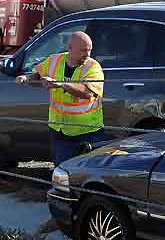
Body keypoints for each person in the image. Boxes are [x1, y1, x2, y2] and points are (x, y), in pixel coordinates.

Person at [15, 31, 105, 166]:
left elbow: (88, 93)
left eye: (89, 50)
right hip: (60, 130)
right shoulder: (54, 60)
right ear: (70, 48)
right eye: (83, 51)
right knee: (62, 171)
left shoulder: (93, 66)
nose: (87, 54)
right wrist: (26, 78)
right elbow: (38, 73)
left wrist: (61, 84)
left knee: (86, 172)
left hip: (88, 131)